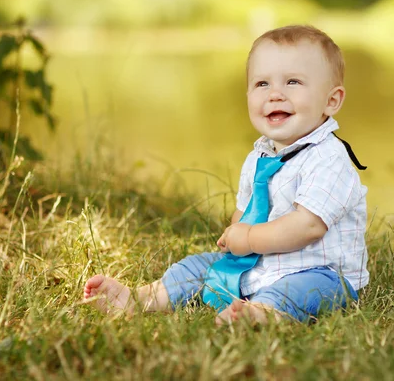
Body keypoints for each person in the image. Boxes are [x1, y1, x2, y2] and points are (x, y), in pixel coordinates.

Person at [84, 25, 369, 325]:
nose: (274, 94)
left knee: (299, 291)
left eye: (293, 82)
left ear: (331, 101)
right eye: (261, 84)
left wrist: (249, 237)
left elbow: (308, 225)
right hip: (263, 263)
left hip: (320, 272)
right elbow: (246, 212)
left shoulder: (328, 158)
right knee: (198, 267)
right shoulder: (260, 155)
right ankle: (139, 299)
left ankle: (263, 314)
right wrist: (236, 234)